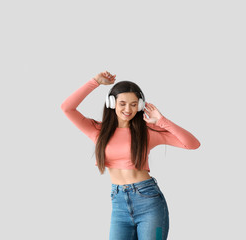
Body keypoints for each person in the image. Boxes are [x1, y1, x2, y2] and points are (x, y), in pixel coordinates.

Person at [60, 70, 201, 240]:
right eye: (123, 103)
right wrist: (95, 82)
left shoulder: (147, 131)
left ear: (140, 106)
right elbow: (67, 108)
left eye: (134, 104)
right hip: (119, 203)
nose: (128, 109)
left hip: (149, 201)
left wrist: (162, 121)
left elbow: (192, 144)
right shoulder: (98, 130)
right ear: (112, 103)